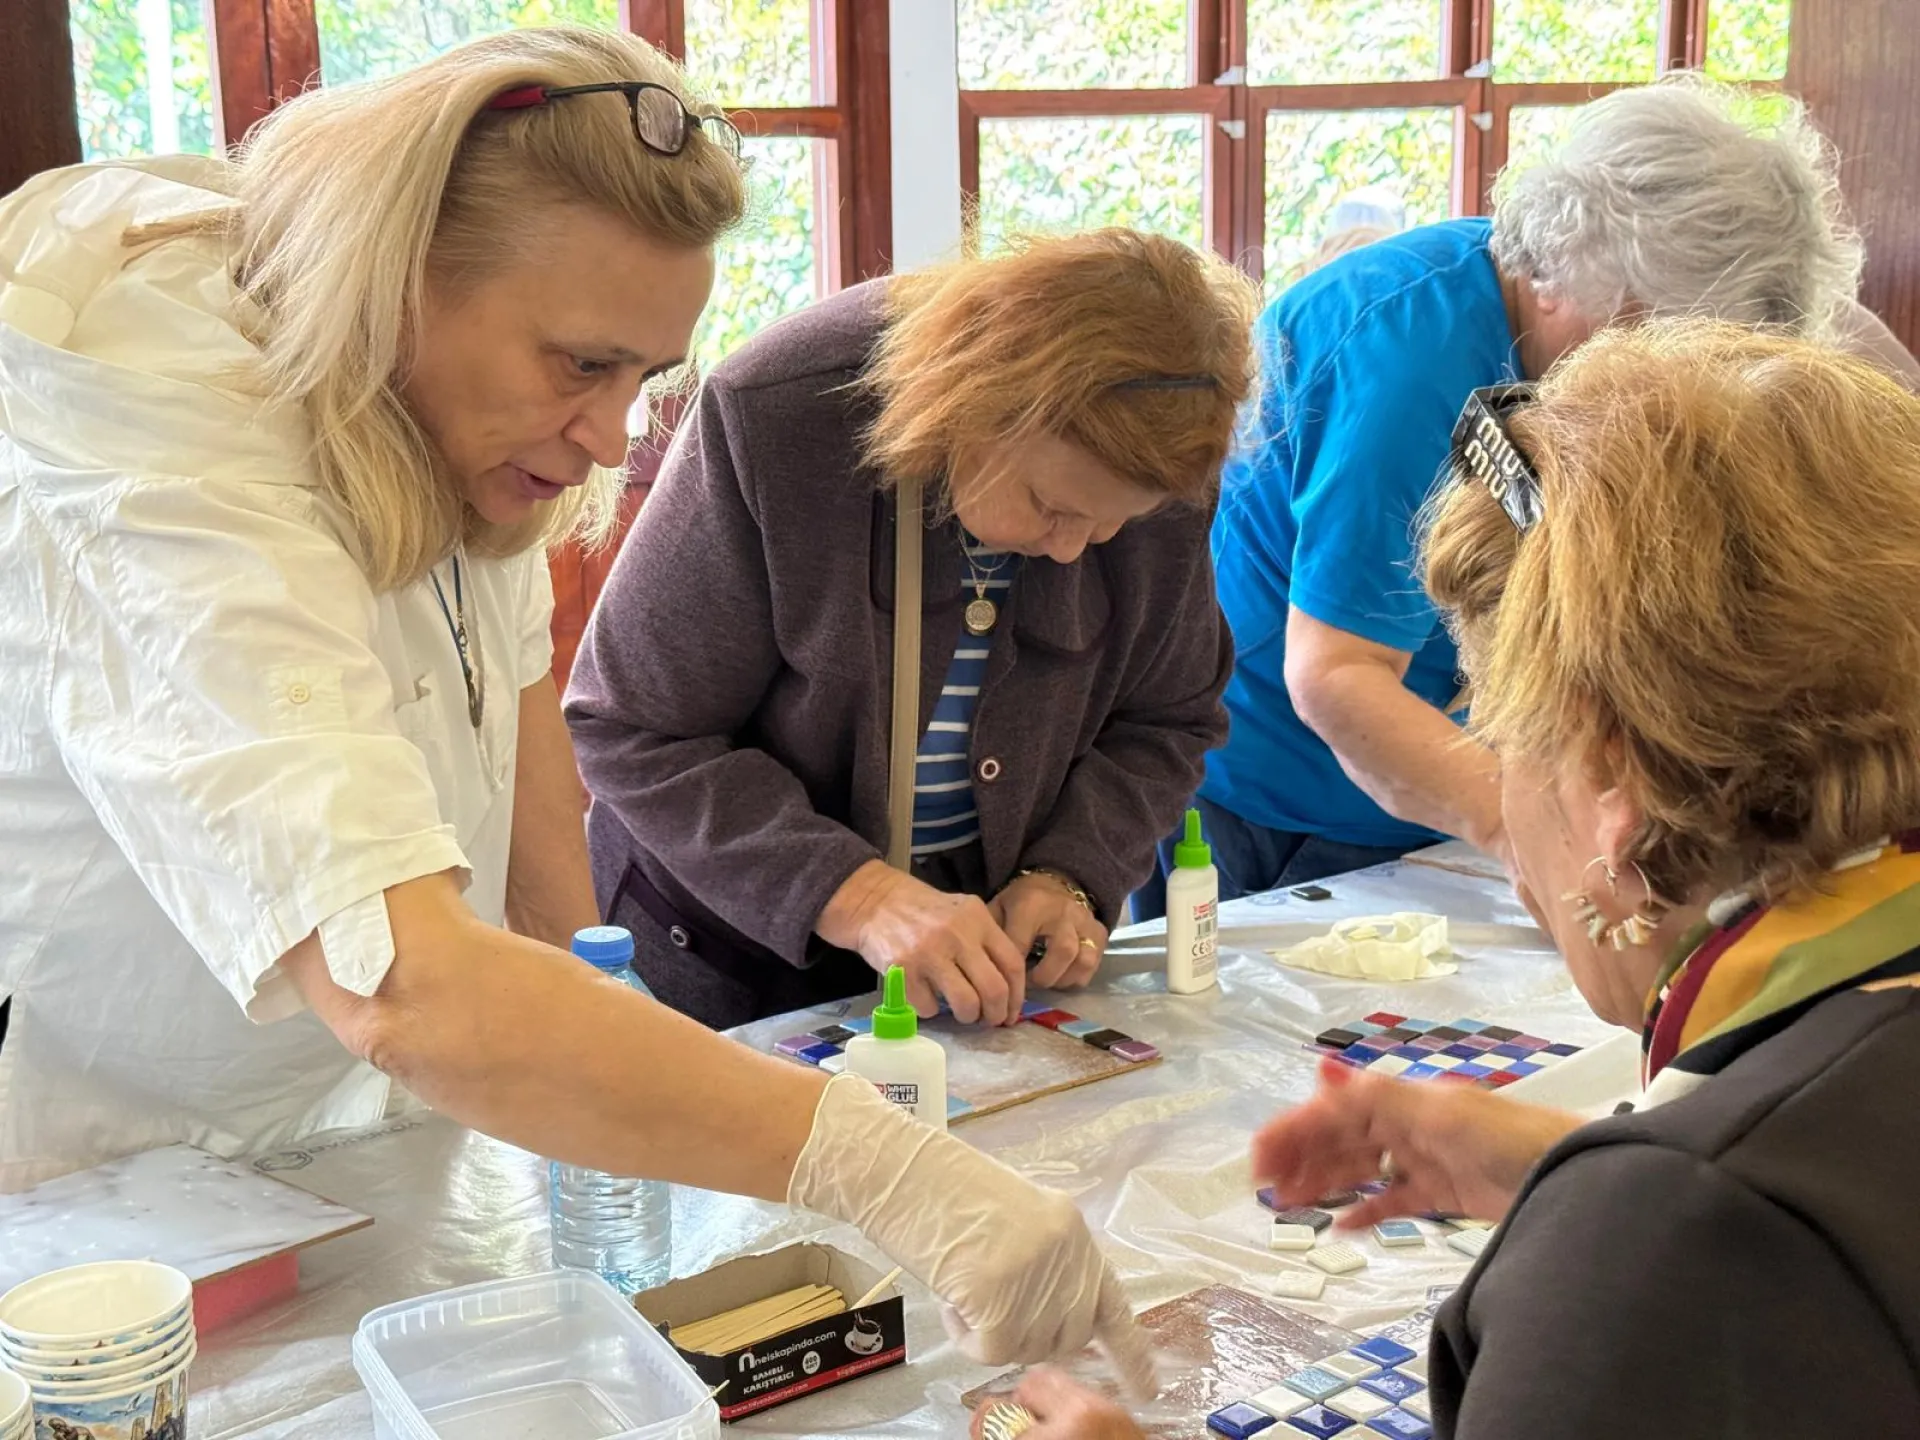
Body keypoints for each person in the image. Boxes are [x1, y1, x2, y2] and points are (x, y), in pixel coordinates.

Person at [0, 26, 1150, 1380]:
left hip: (339, 1149)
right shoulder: (156, 438)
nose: (615, 436)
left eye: (645, 378)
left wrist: (613, 1073)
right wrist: (893, 1172)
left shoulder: (444, 412)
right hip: (92, 1191)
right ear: (397, 282)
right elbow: (405, 987)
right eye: (581, 366)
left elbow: (541, 861)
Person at [979, 321, 1920, 1437]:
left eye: (1492, 723)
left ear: (1607, 772)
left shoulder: (1675, 1229)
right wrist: (1577, 1169)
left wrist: (1628, 1207)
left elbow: (1737, 1260)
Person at [1174, 76, 1881, 905]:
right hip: (1280, 794)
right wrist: (1536, 842)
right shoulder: (1407, 362)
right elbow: (1339, 676)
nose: (1664, 381)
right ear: (1575, 281)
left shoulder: (1574, 312)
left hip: (1447, 783)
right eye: (1653, 336)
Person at [564, 230, 1253, 1030]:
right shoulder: (779, 413)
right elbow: (632, 727)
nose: (1073, 547)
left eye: (1108, 528)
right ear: (976, 405)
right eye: (1052, 508)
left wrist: (1067, 872)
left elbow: (1168, 718)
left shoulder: (1164, 467)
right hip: (725, 961)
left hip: (972, 972)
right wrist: (857, 893)